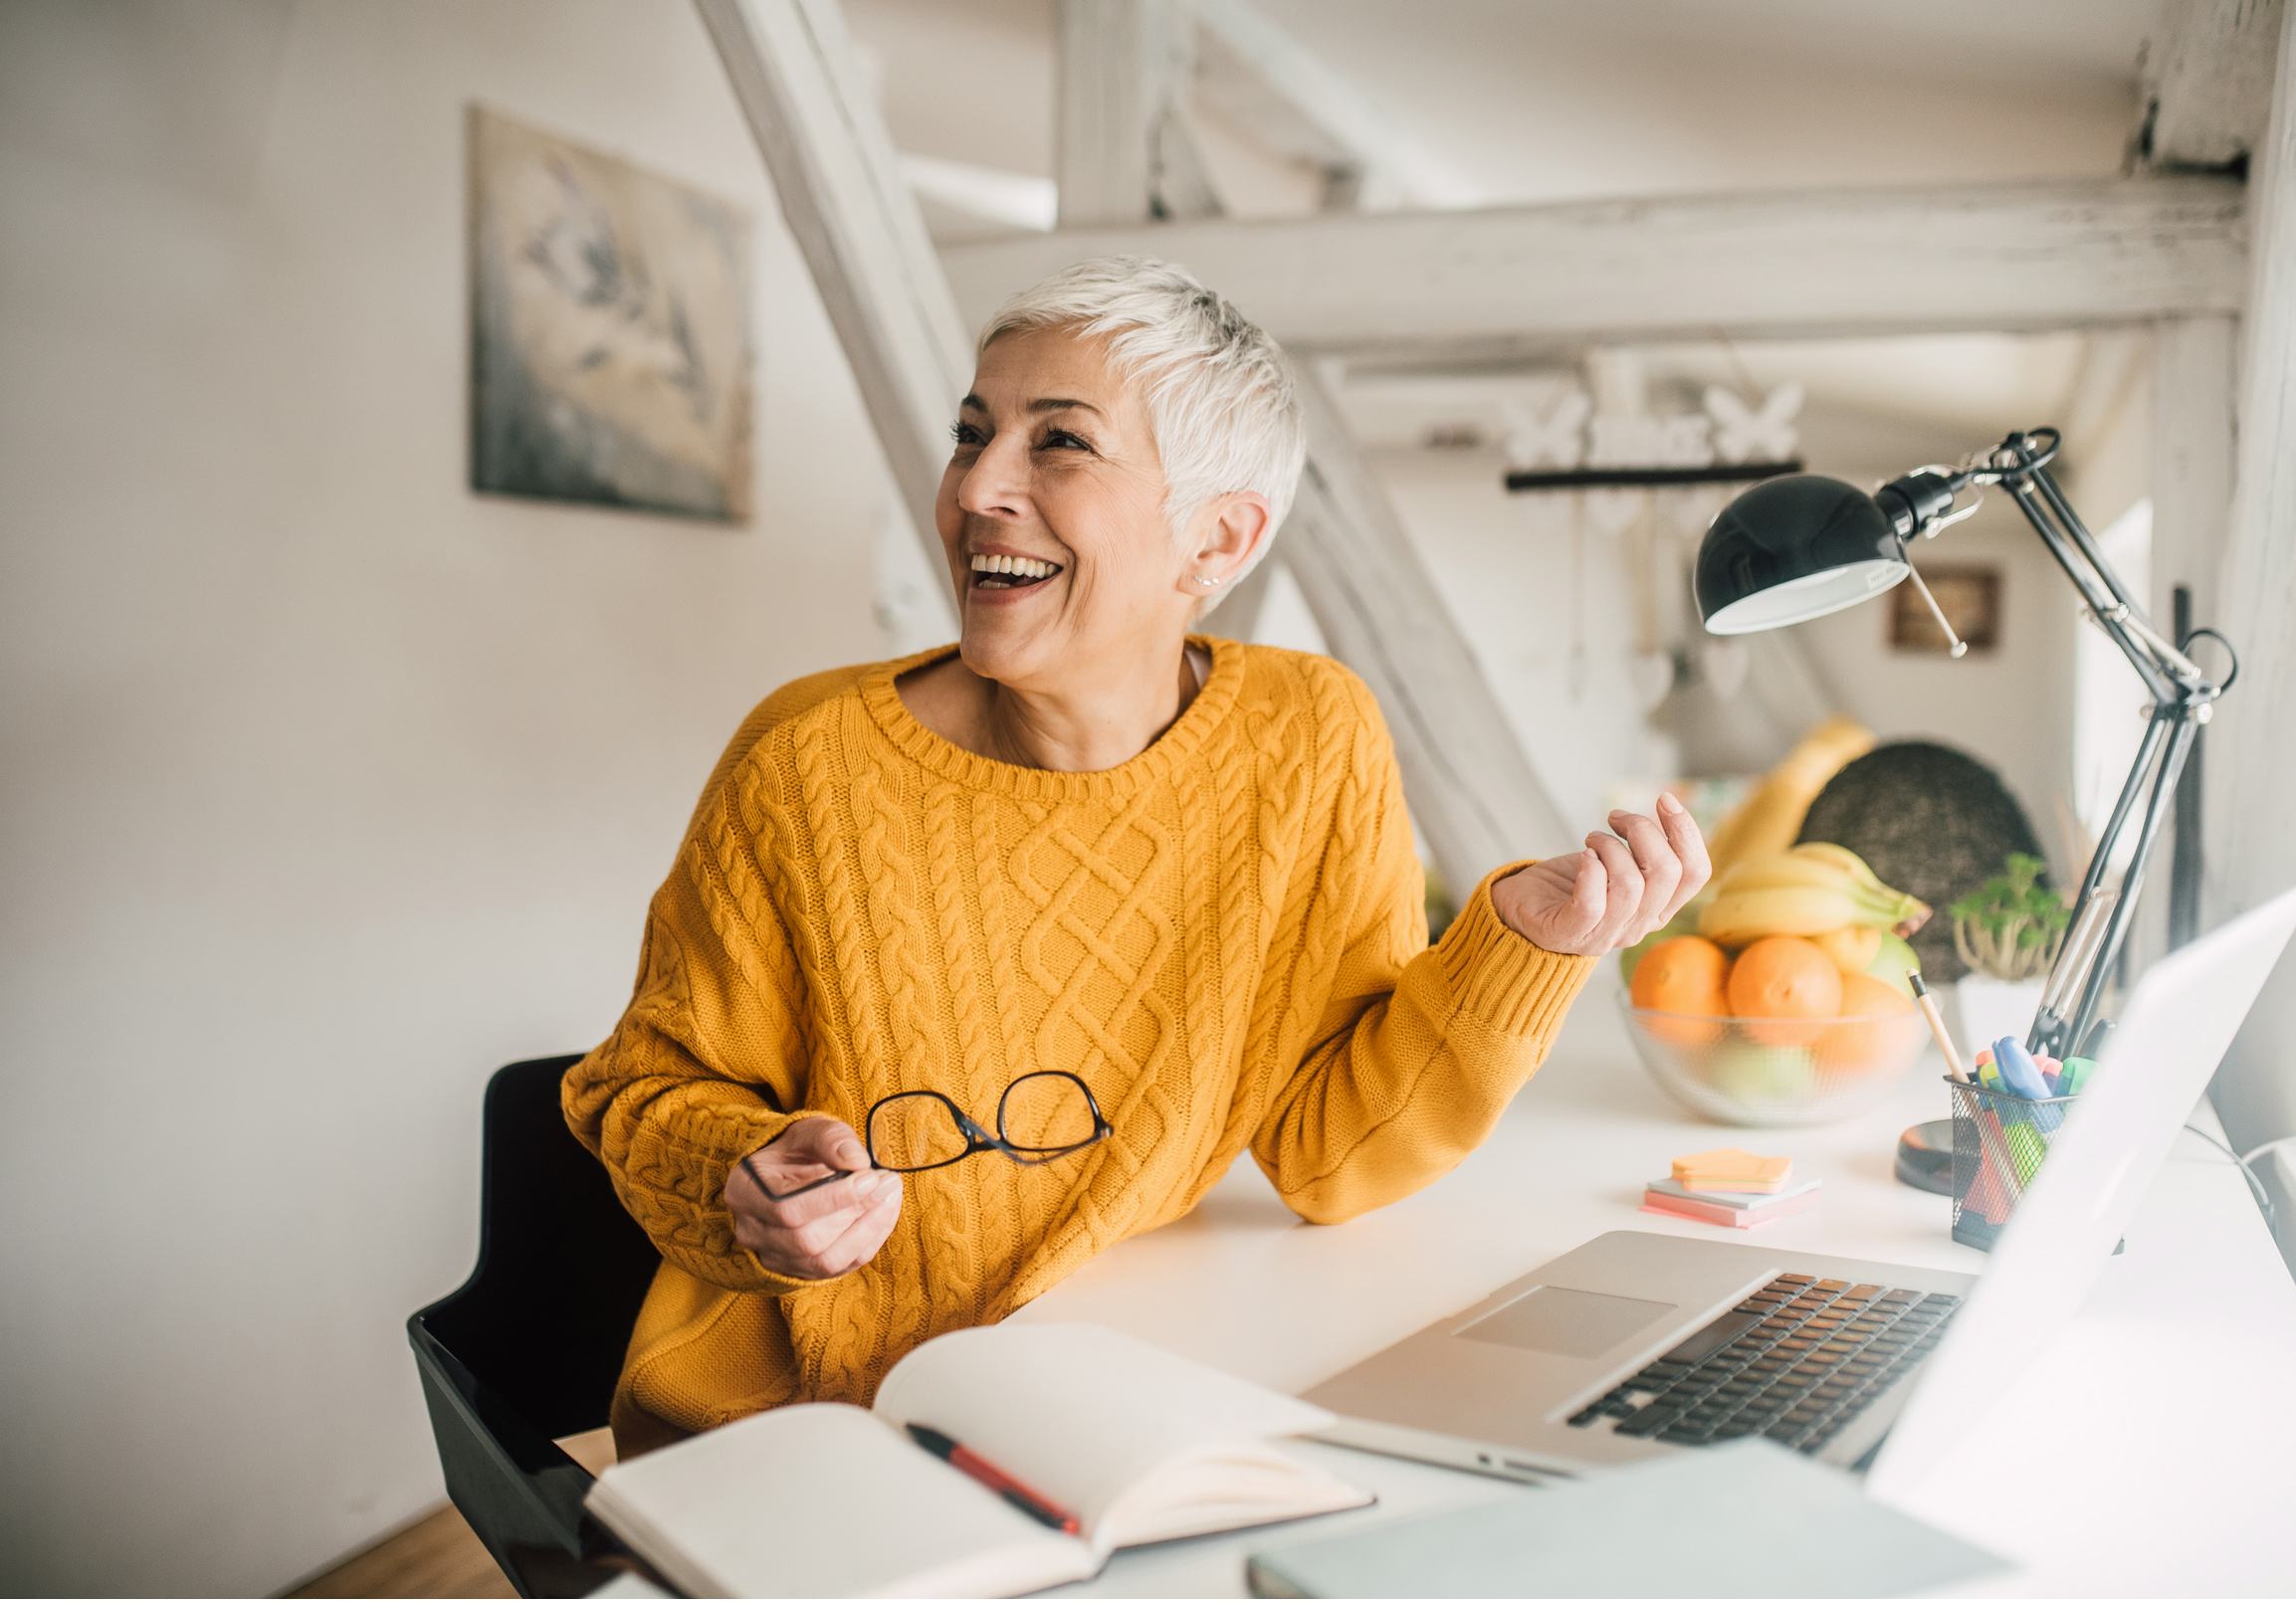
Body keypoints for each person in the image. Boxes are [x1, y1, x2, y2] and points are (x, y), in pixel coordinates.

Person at [564, 257, 1709, 1456]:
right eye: (972, 434)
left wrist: (1526, 940)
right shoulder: (806, 764)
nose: (977, 489)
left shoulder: (1310, 738)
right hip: (805, 1418)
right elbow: (636, 1089)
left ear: (1217, 538)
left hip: (1098, 1387)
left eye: (1059, 442)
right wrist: (741, 1174)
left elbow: (1335, 1153)